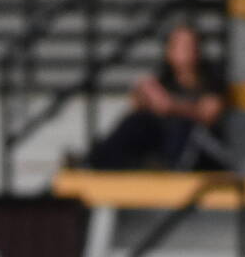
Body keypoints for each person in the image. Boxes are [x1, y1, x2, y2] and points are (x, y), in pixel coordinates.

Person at [87, 22, 230, 170]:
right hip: (164, 144)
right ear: (169, 51)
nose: (186, 50)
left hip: (201, 150)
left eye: (190, 45)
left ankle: (168, 169)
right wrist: (143, 100)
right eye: (180, 45)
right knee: (137, 121)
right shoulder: (165, 81)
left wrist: (171, 106)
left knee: (183, 126)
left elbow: (209, 114)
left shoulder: (212, 78)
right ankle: (96, 160)